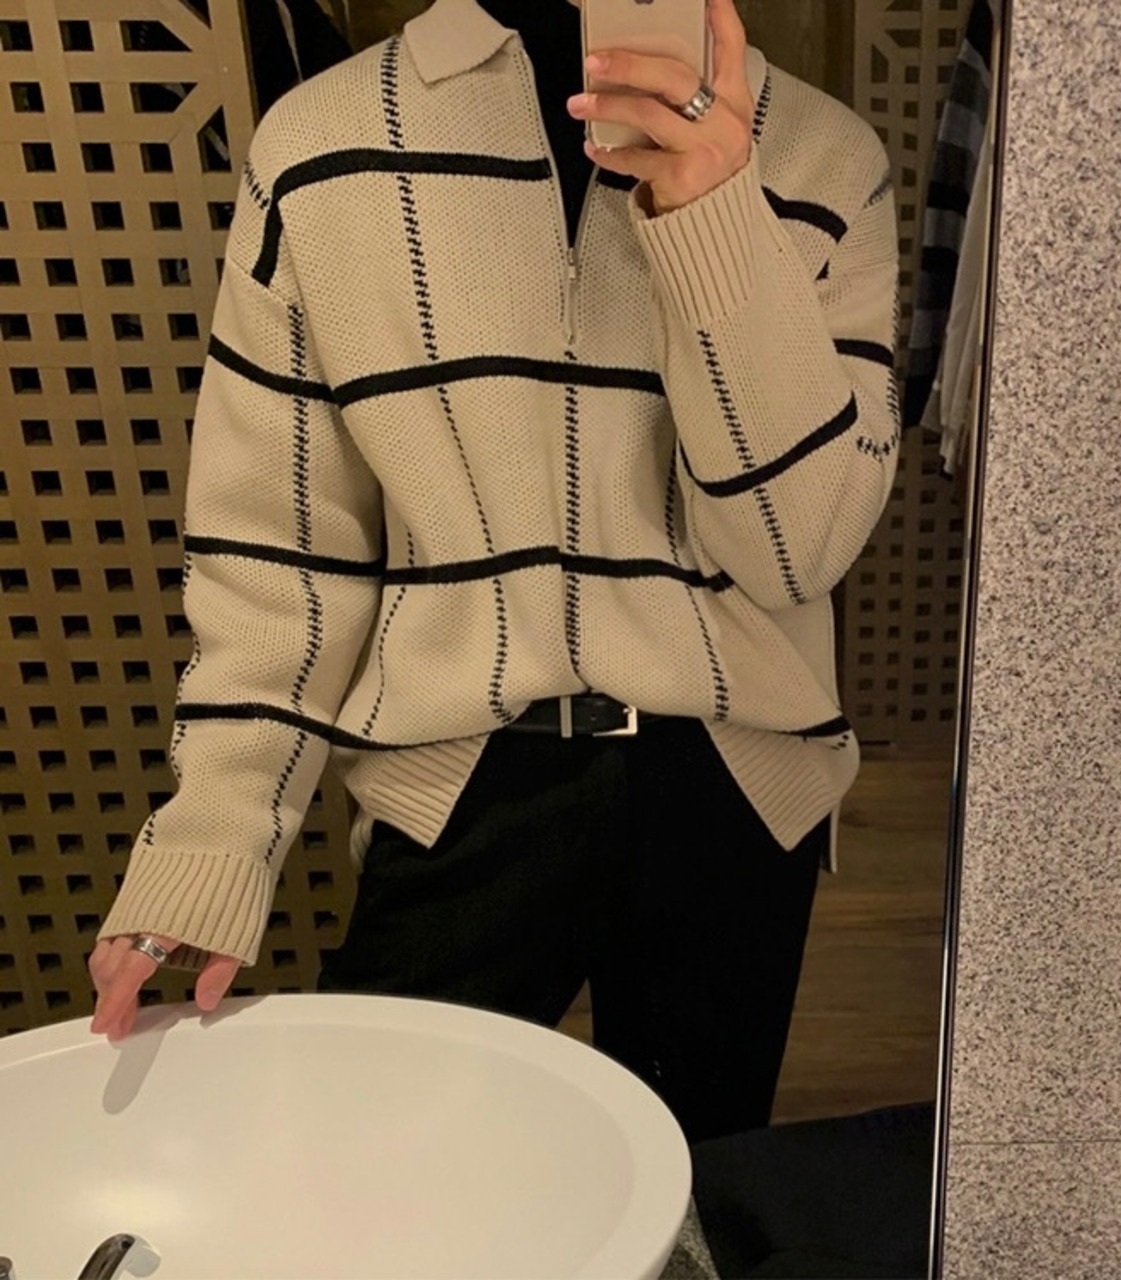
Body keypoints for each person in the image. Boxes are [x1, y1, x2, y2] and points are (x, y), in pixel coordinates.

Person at [88, 0, 900, 1144]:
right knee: (388, 1182)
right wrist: (214, 834)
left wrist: (715, 216)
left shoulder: (822, 158)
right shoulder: (321, 147)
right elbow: (280, 548)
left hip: (734, 782)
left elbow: (795, 547)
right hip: (457, 778)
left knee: (689, 1187)